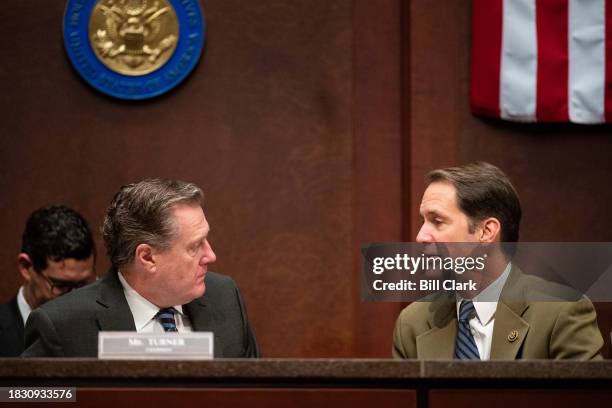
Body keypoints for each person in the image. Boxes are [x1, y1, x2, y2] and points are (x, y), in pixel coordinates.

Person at [22, 179, 259, 358]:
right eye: (195, 246)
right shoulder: (63, 325)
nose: (210, 256)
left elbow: (258, 395)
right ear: (147, 257)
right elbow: (24, 398)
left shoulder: (225, 297)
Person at [392, 162, 603, 360]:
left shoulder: (561, 312)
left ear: (486, 231)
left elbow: (584, 400)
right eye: (424, 221)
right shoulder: (413, 323)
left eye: (437, 221)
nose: (421, 236)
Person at [0, 205, 96, 357]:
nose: (76, 298)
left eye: (83, 284)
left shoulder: (102, 331)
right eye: (62, 286)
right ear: (26, 267)